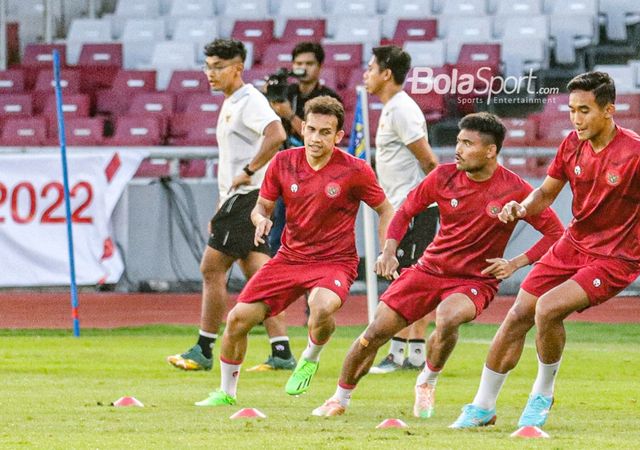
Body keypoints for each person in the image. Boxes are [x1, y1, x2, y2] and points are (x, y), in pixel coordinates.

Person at [450, 72, 640, 430]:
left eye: (584, 110)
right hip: (574, 244)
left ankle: (542, 392)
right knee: (518, 314)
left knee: (548, 309)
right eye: (571, 110)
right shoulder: (571, 145)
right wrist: (521, 207)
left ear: (609, 110)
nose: (576, 119)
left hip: (617, 257)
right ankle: (482, 406)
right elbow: (546, 195)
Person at [310, 112, 564, 418]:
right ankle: (339, 398)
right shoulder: (443, 177)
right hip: (428, 270)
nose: (458, 149)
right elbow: (405, 212)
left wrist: (515, 263)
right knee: (376, 331)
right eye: (458, 141)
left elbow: (555, 233)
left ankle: (427, 380)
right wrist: (389, 250)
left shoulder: (515, 189)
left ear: (490, 150)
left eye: (467, 143)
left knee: (448, 317)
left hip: (473, 280)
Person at [194, 96, 395, 406]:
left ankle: (310, 357)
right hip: (289, 258)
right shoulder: (283, 162)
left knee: (322, 305)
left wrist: (386, 250)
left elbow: (385, 209)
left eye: (325, 132)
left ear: (338, 135)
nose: (316, 138)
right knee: (237, 319)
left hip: (334, 262)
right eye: (311, 129)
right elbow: (262, 206)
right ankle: (226, 393)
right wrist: (260, 218)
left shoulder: (354, 170)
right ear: (302, 128)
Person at [167, 38, 292, 373]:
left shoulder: (250, 99)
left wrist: (250, 170)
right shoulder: (232, 102)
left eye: (219, 66)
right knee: (258, 273)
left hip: (247, 197)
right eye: (208, 66)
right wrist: (221, 205)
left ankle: (204, 348)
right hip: (238, 199)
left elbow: (276, 133)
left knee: (211, 269)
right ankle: (281, 351)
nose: (211, 73)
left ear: (238, 67)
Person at [363, 45, 441, 374]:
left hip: (414, 209)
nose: (365, 75)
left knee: (406, 281)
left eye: (370, 68)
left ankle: (401, 353)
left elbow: (428, 160)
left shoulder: (401, 110)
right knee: (407, 279)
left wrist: (433, 201)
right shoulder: (392, 109)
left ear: (386, 74)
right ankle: (413, 352)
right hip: (405, 208)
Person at [267, 42, 342, 255]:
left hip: (318, 174)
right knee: (278, 236)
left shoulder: (329, 98)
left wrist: (290, 115)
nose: (304, 68)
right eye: (299, 63)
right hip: (287, 173)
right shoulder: (285, 92)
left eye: (309, 63)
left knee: (316, 237)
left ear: (319, 67)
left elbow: (326, 140)